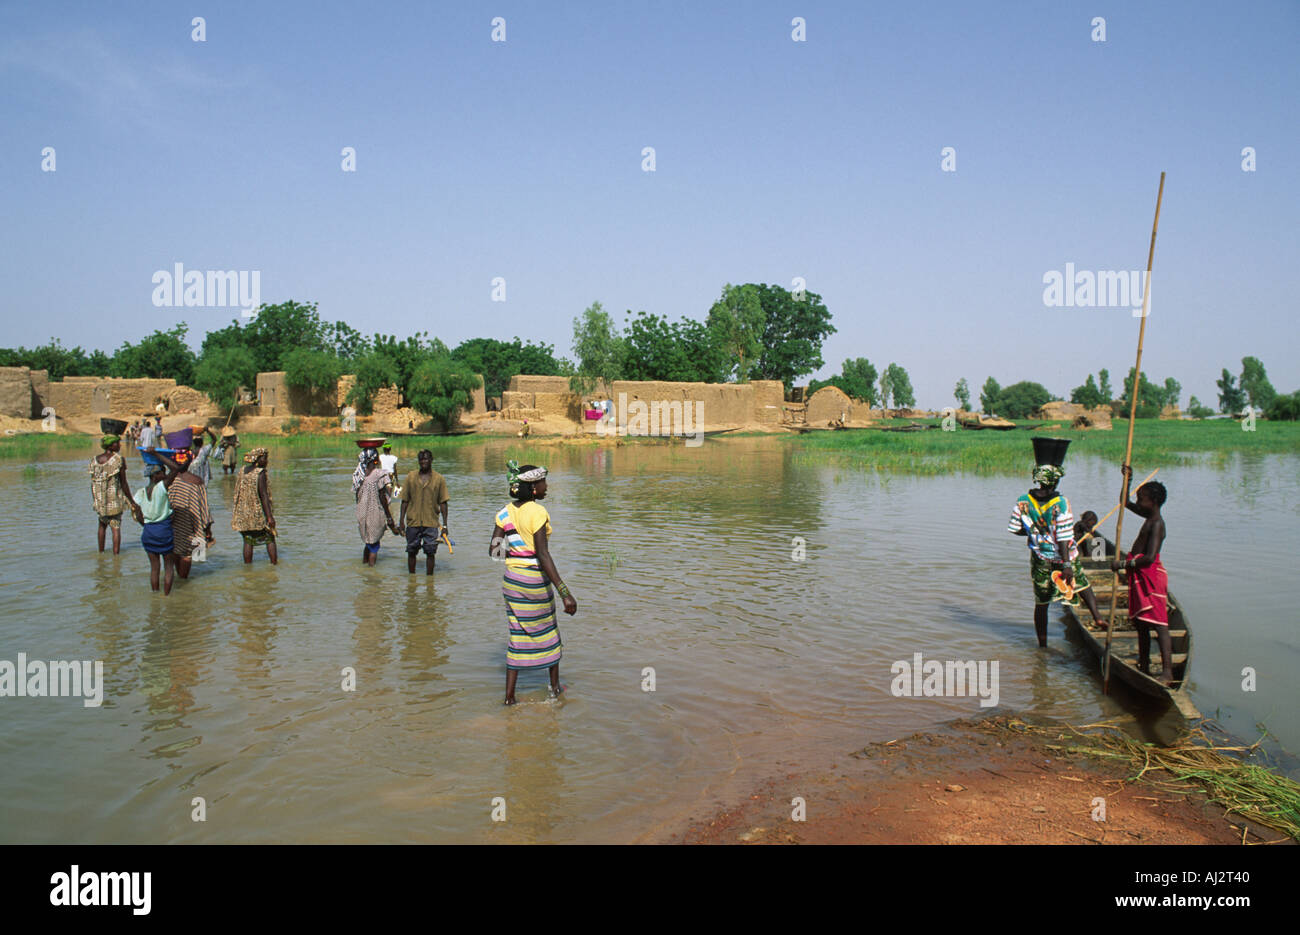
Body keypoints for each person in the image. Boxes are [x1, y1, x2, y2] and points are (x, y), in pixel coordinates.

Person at [489, 460, 576, 705]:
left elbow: (493, 551)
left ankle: (509, 697)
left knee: (517, 634)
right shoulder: (537, 512)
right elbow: (543, 554)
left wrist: (515, 553)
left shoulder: (504, 512)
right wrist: (564, 592)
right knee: (549, 631)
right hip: (534, 581)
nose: (546, 486)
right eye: (543, 482)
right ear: (533, 488)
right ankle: (555, 689)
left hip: (512, 582)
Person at [1008, 446, 1106, 646]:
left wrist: (1035, 533)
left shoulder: (1023, 501)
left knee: (1041, 602)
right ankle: (1097, 617)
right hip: (1064, 556)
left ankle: (1042, 645)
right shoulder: (1061, 503)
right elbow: (1063, 537)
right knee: (1082, 583)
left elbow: (1015, 529)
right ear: (1055, 481)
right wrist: (1066, 564)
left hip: (1040, 557)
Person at [1112, 468, 1172, 685]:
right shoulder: (1149, 515)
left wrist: (1124, 564)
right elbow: (1124, 502)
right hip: (1139, 575)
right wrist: (1128, 479)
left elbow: (1148, 557)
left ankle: (1167, 672)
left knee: (1159, 624)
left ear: (1154, 501)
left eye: (1142, 499)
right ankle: (1144, 664)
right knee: (1141, 623)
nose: (1138, 501)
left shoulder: (1157, 523)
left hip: (1149, 575)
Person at [155, 448, 214, 580]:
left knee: (175, 549)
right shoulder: (197, 481)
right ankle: (183, 580)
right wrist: (208, 528)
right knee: (187, 554)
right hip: (191, 523)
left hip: (170, 524)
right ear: (189, 462)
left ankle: (179, 578)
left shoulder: (167, 481)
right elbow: (204, 507)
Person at [129, 452, 178, 594]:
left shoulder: (140, 493)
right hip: (163, 531)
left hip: (148, 532)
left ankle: (155, 596)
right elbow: (176, 469)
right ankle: (166, 596)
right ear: (155, 475)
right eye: (162, 472)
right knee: (168, 567)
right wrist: (156, 453)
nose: (165, 474)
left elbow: (138, 515)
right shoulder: (161, 487)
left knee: (154, 568)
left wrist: (147, 526)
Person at [398, 448, 449, 575]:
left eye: (426, 459)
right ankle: (412, 580)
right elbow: (404, 501)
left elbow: (443, 503)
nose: (423, 462)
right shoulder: (410, 477)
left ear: (431, 460)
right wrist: (401, 521)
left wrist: (445, 525)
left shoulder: (439, 479)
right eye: (421, 459)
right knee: (411, 551)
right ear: (418, 461)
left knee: (431, 552)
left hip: (431, 523)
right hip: (413, 522)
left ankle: (429, 583)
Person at [89, 434, 133, 553]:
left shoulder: (94, 460)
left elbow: (92, 483)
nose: (120, 445)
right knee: (116, 527)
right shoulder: (119, 460)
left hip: (100, 500)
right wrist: (132, 501)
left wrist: (95, 500)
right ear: (111, 445)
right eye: (117, 443)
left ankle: (101, 553)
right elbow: (124, 483)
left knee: (102, 525)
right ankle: (116, 557)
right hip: (114, 499)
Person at [232, 447, 277, 563]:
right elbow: (264, 496)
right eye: (265, 458)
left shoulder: (242, 471)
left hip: (243, 514)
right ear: (258, 459)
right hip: (257, 515)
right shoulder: (260, 473)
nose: (266, 461)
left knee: (248, 541)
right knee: (270, 538)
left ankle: (248, 567)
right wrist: (269, 517)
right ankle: (274, 565)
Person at [355, 447, 398, 565]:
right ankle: (371, 574)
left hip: (362, 515)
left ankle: (364, 566)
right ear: (375, 460)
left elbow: (357, 498)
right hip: (374, 515)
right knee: (374, 546)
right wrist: (389, 517)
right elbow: (382, 497)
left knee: (368, 543)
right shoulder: (379, 474)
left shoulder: (359, 477)